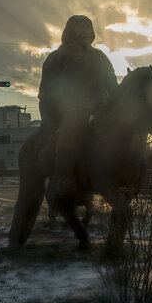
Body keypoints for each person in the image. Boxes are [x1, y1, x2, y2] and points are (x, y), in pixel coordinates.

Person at [37, 15, 119, 195]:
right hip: (68, 111)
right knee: (73, 121)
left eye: (88, 27)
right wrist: (50, 121)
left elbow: (113, 87)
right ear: (69, 31)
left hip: (100, 109)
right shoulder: (57, 57)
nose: (85, 31)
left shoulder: (100, 57)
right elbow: (46, 94)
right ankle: (63, 174)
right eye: (80, 27)